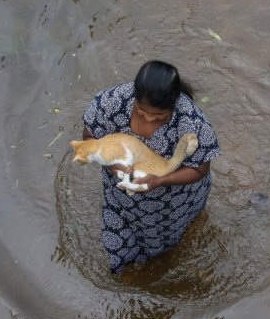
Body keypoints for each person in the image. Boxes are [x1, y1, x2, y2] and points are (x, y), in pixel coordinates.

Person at [82, 60, 220, 274]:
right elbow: (90, 139)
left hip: (172, 202)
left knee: (168, 246)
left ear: (173, 106)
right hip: (123, 198)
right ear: (134, 98)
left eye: (158, 117)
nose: (148, 119)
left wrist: (162, 181)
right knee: (118, 247)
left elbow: (200, 169)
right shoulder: (112, 103)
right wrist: (114, 166)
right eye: (140, 111)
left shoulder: (192, 122)